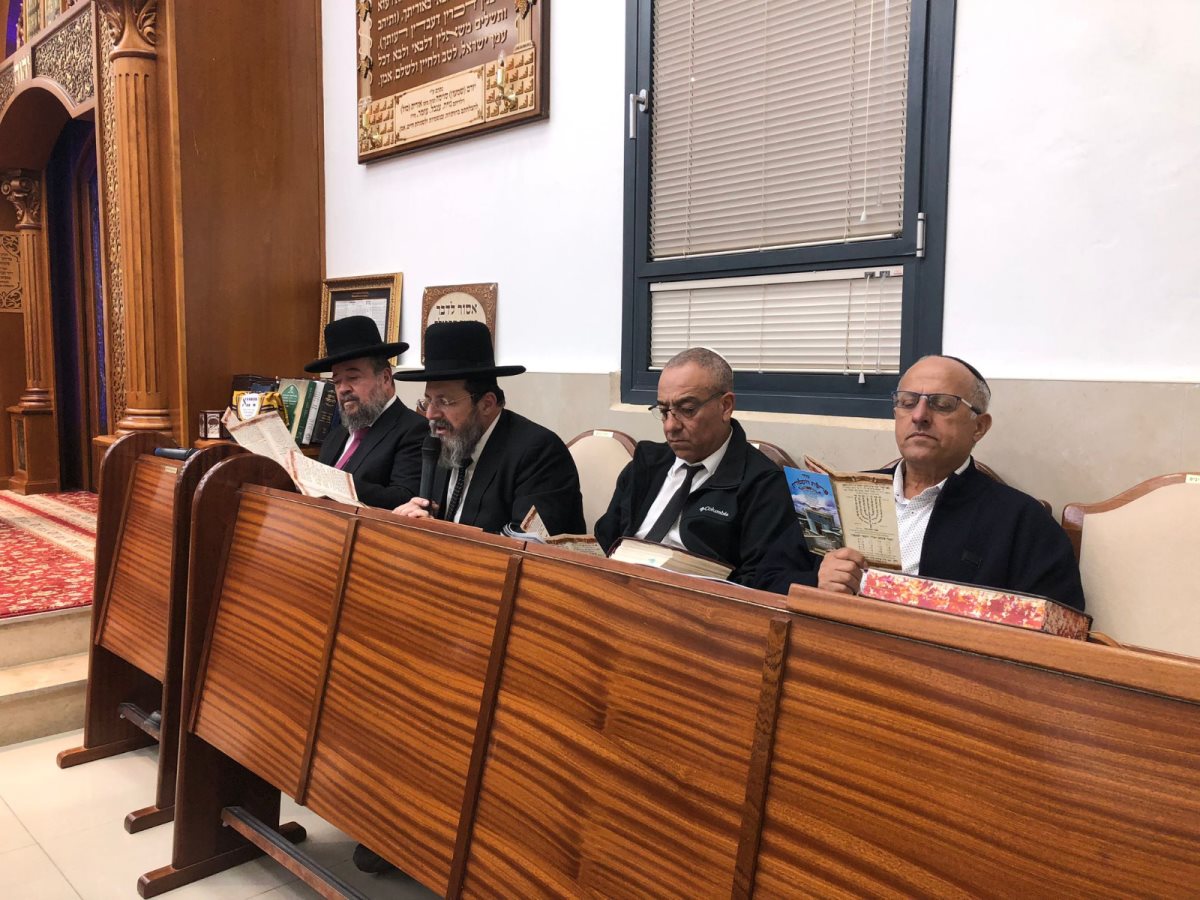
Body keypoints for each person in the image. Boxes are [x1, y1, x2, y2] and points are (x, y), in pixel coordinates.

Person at [754, 355, 1086, 610]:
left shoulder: (1022, 522)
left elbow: (1056, 631)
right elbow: (762, 580)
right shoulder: (841, 495)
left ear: (979, 427)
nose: (919, 415)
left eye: (942, 404)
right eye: (907, 402)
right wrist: (814, 582)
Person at [594, 347, 801, 586]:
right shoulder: (646, 464)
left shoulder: (763, 484)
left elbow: (763, 581)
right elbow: (606, 538)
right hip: (617, 587)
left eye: (687, 410)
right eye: (664, 411)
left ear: (725, 406)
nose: (670, 426)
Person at [390, 320, 585, 535]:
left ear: (487, 404)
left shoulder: (538, 452)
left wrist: (442, 534)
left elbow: (527, 543)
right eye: (428, 400)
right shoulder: (444, 443)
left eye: (444, 402)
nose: (430, 414)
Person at [304, 316, 426, 510]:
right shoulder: (336, 435)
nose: (343, 389)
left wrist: (335, 484)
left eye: (353, 377)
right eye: (336, 381)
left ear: (385, 378)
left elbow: (404, 498)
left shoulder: (414, 430)